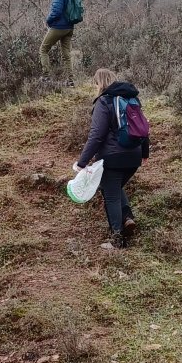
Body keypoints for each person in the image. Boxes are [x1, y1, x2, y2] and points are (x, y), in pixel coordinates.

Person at [74, 69, 149, 250]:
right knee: (114, 187)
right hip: (134, 156)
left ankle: (117, 241)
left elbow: (97, 135)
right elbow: (144, 127)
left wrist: (82, 162)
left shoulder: (104, 101)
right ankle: (127, 218)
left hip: (113, 157)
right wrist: (144, 153)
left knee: (111, 195)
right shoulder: (132, 99)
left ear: (98, 83)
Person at [40, 0, 76, 81]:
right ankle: (70, 80)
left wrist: (48, 21)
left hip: (59, 27)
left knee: (43, 50)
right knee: (66, 55)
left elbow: (56, 11)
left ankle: (46, 77)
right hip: (69, 27)